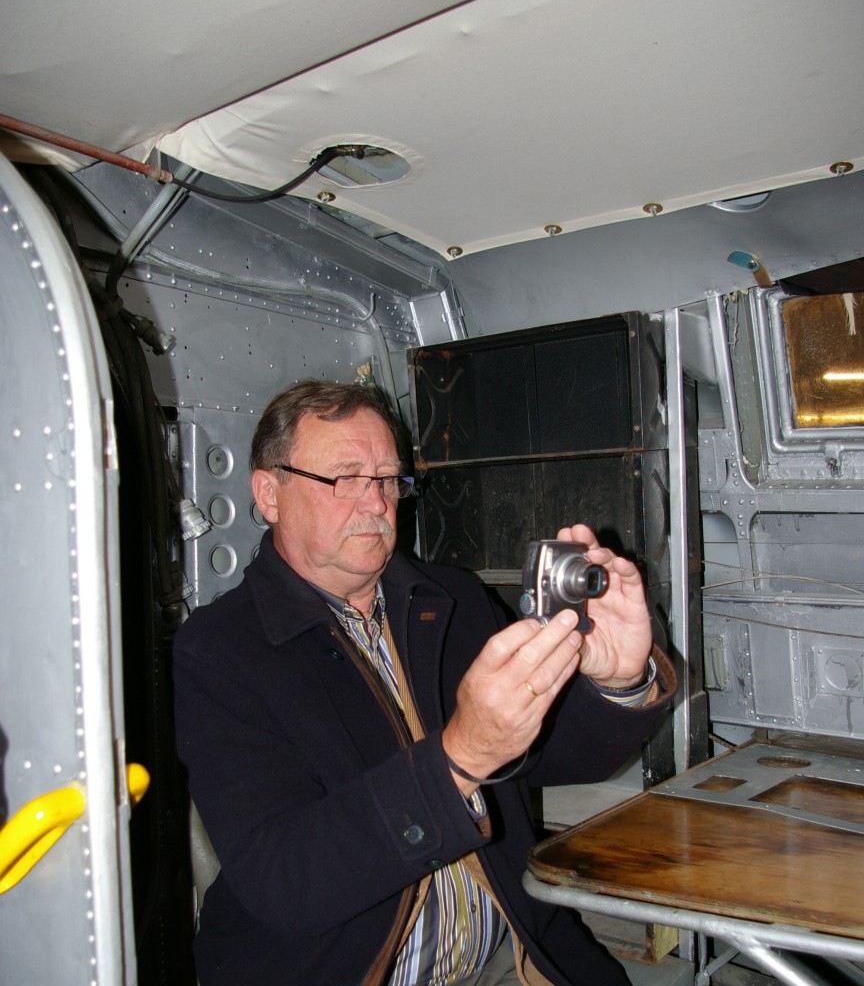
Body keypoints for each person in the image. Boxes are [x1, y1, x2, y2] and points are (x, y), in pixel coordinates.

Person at [172, 379, 676, 986]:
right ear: (269, 493)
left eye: (388, 479)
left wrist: (619, 681)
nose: (375, 503)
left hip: (514, 950)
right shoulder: (219, 650)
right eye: (345, 478)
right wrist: (460, 758)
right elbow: (285, 881)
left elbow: (545, 755)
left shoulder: (452, 597)